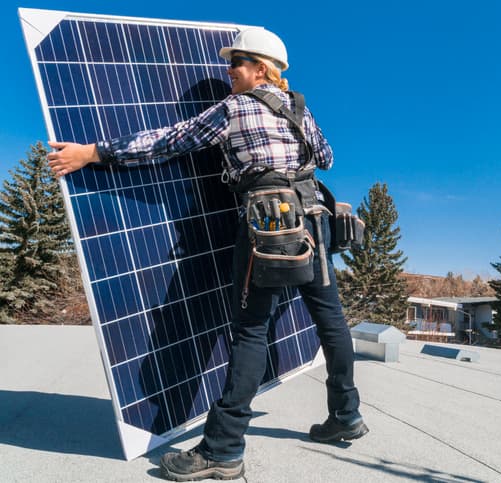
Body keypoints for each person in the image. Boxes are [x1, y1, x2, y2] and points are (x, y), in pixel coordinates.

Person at [48, 27, 367, 482]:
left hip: (269, 224)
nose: (228, 70)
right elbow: (327, 158)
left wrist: (93, 152)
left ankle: (222, 449)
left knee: (251, 332)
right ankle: (347, 415)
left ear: (260, 69)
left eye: (236, 62)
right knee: (331, 321)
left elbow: (169, 141)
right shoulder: (299, 106)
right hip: (314, 222)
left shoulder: (234, 108)